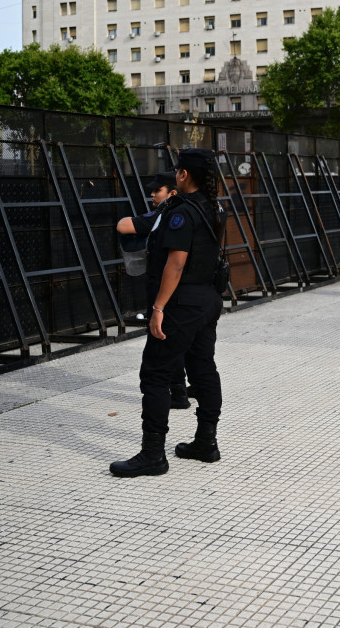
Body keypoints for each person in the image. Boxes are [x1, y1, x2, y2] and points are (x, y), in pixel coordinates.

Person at [110, 148, 225, 478]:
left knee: (155, 374)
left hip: (181, 302)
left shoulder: (180, 213)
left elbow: (176, 263)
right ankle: (206, 442)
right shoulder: (214, 207)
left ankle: (152, 455)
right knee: (203, 367)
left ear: (183, 175)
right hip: (207, 298)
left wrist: (158, 307)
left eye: (177, 170)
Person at [120, 171, 194, 409]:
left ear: (172, 192)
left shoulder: (165, 214)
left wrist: (158, 306)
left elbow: (123, 225)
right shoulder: (192, 209)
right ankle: (180, 391)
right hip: (187, 290)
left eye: (157, 191)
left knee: (160, 342)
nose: (152, 194)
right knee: (176, 341)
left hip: (164, 288)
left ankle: (171, 395)